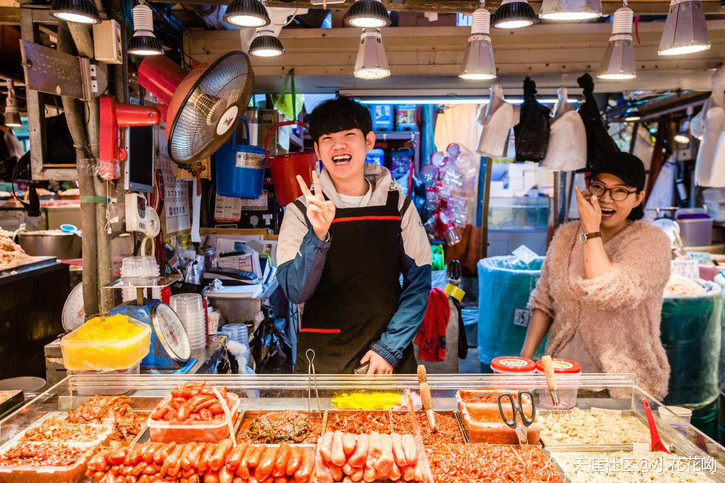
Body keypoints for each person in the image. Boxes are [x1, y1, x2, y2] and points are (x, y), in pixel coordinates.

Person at [276, 96, 432, 375]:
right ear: (317, 150)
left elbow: (418, 285)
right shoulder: (299, 211)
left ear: (369, 141)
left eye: (349, 135)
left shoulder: (399, 205)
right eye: (328, 138)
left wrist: (390, 348)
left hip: (385, 362)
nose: (339, 146)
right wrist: (318, 236)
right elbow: (295, 292)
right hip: (323, 362)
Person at [520, 152, 671, 399]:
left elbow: (611, 292)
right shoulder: (567, 236)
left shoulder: (651, 242)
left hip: (622, 384)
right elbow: (544, 301)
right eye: (599, 187)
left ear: (638, 198)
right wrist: (523, 361)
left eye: (620, 191)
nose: (606, 199)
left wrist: (591, 230)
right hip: (561, 378)